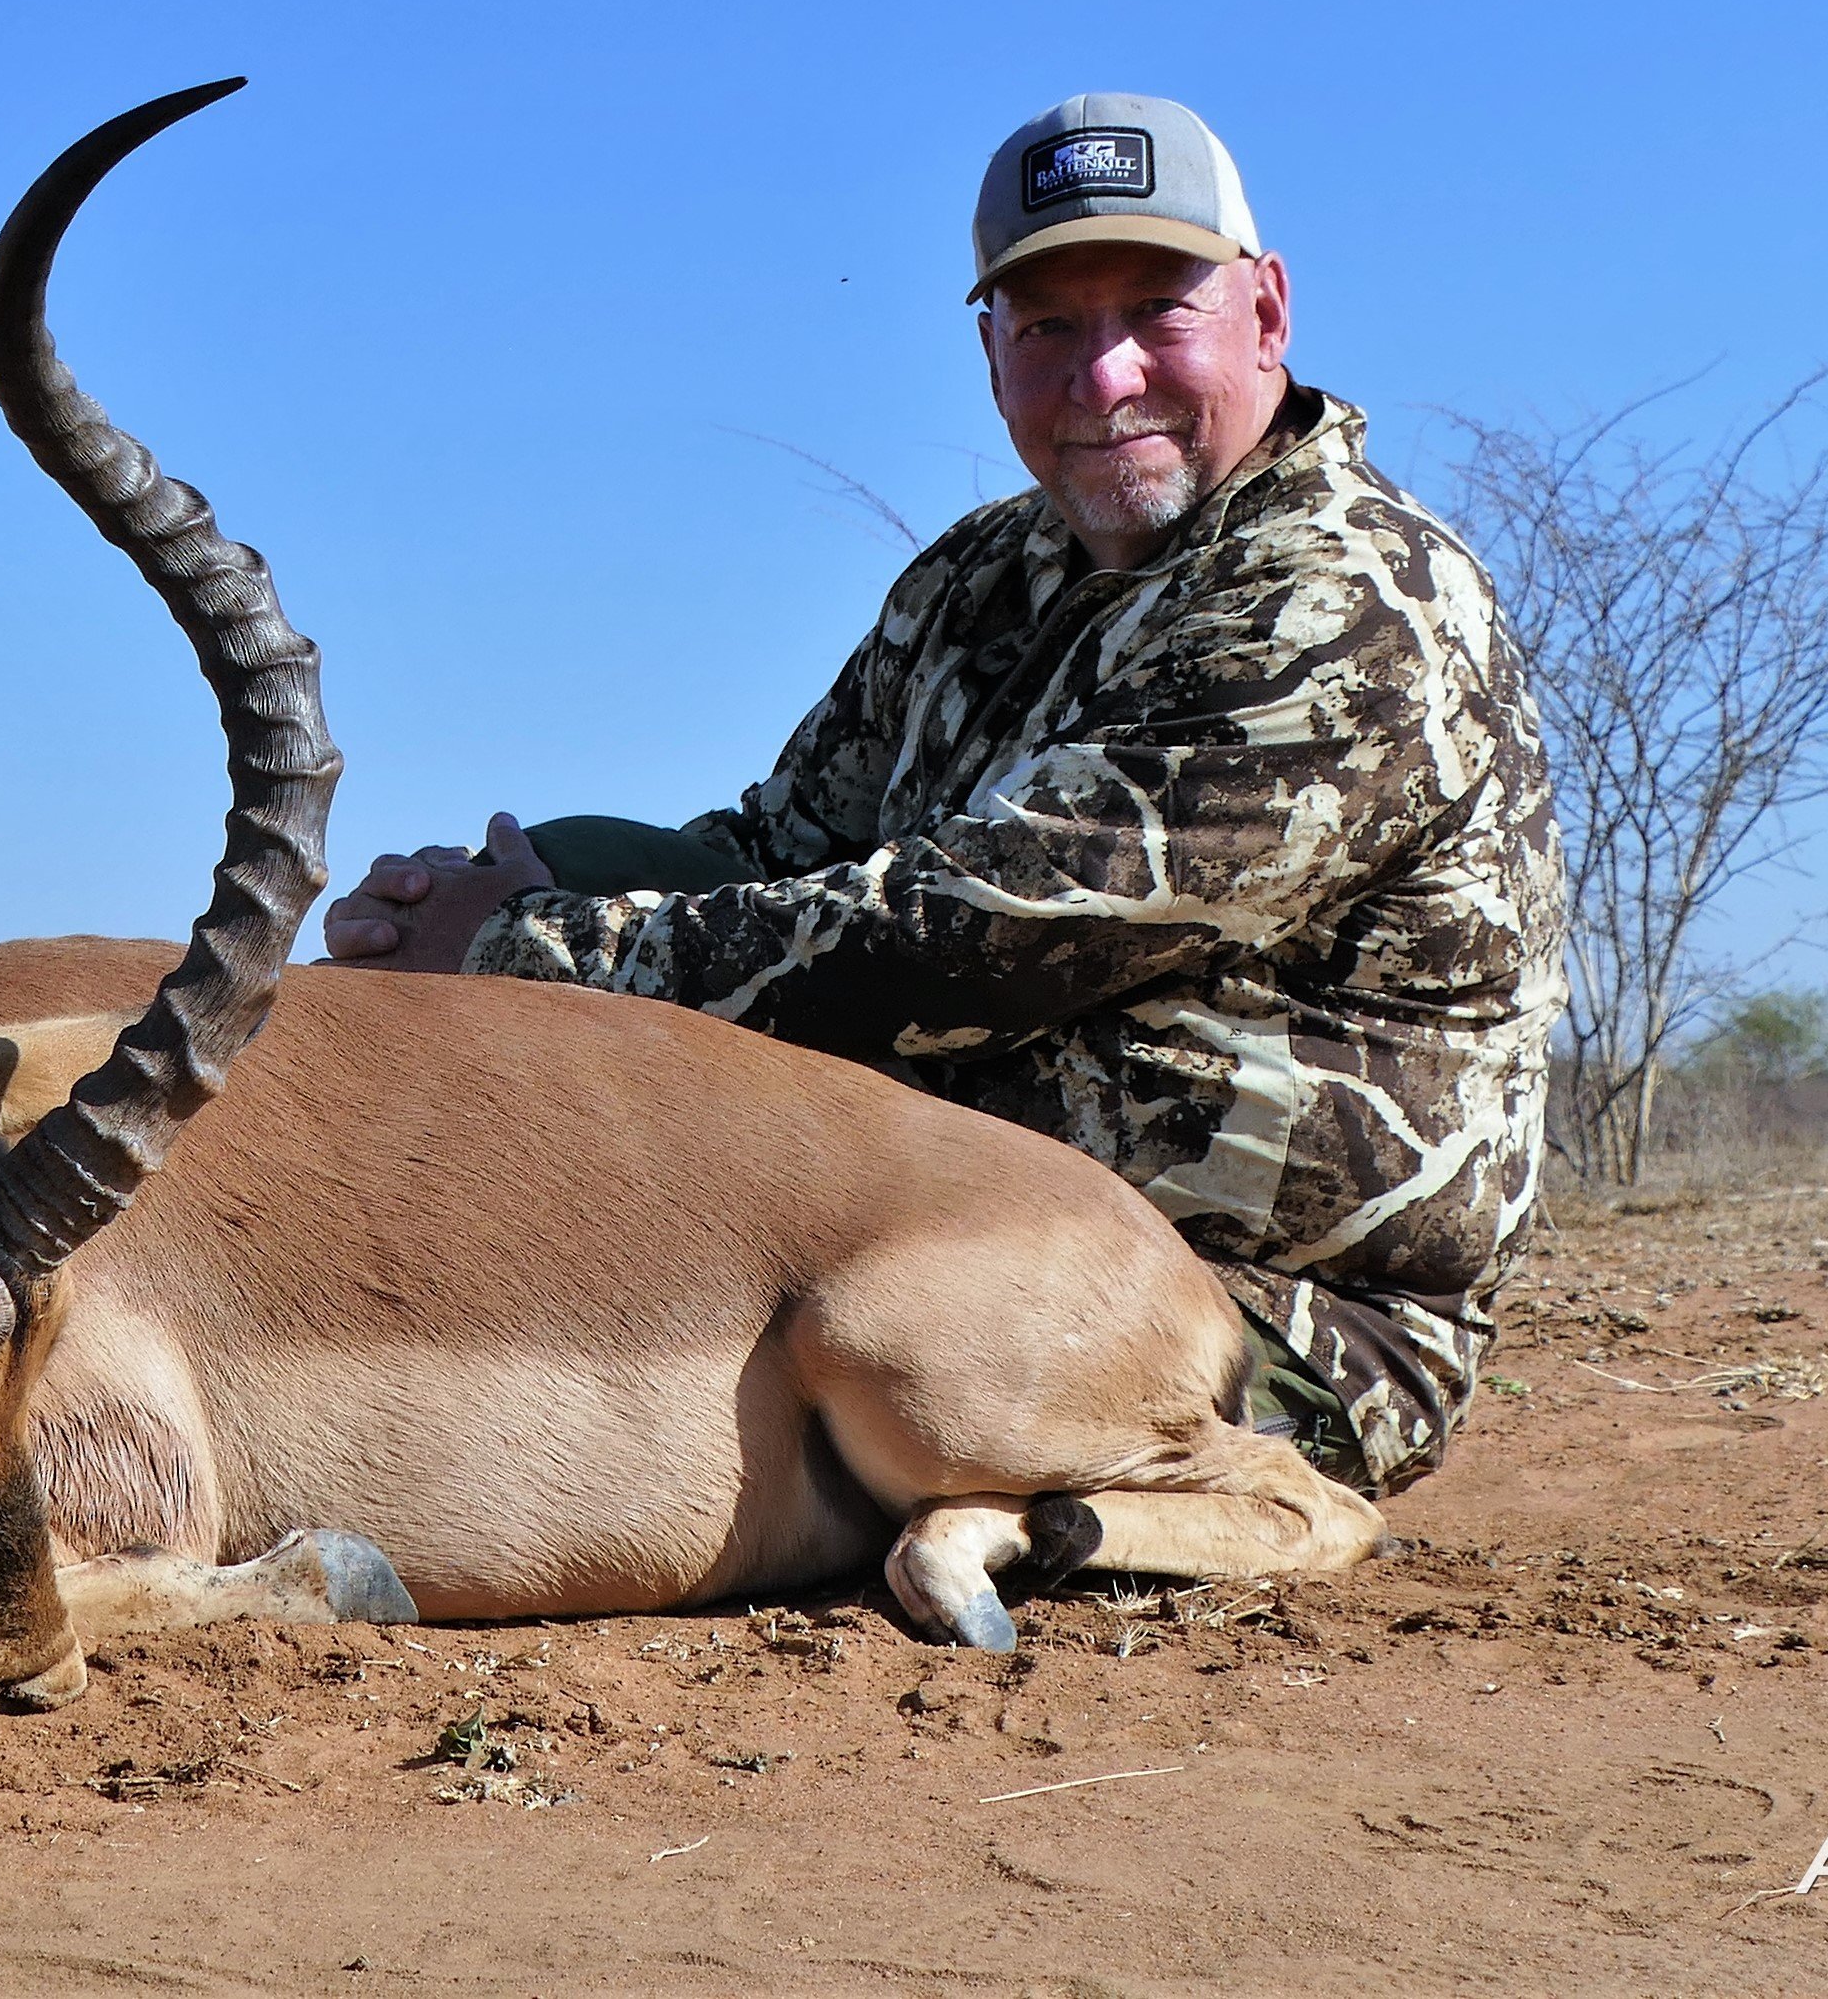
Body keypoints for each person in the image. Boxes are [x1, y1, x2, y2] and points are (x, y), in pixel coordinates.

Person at [324, 93, 1567, 1496]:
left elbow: (972, 939)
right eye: (1047, 328)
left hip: (1254, 1327)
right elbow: (775, 848)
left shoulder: (1347, 607)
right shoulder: (981, 573)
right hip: (930, 1227)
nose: (1103, 380)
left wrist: (507, 957)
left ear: (1266, 315)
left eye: (1159, 310)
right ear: (988, 352)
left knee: (711, 1449)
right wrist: (486, 895)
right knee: (578, 870)